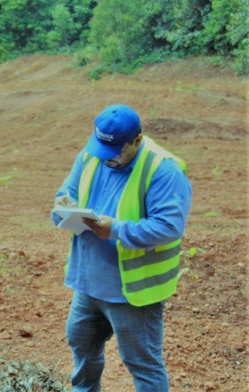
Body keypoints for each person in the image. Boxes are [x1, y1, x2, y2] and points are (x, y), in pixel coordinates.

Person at [51, 104, 192, 392]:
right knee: (82, 348)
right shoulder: (92, 156)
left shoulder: (162, 170)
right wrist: (63, 208)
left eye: (116, 151)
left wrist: (114, 229)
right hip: (89, 283)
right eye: (103, 150)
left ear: (137, 140)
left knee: (142, 365)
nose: (107, 159)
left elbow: (169, 226)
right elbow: (65, 194)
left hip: (132, 292)